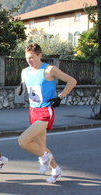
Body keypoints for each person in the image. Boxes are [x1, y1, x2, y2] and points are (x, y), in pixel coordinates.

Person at [18, 43, 76, 183]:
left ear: (40, 55)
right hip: (33, 110)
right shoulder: (25, 71)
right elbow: (24, 82)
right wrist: (21, 87)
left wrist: (60, 97)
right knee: (42, 146)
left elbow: (72, 81)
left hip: (45, 111)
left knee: (23, 141)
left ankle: (44, 157)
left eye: (32, 58)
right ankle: (56, 170)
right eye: (27, 58)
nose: (29, 60)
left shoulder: (49, 70)